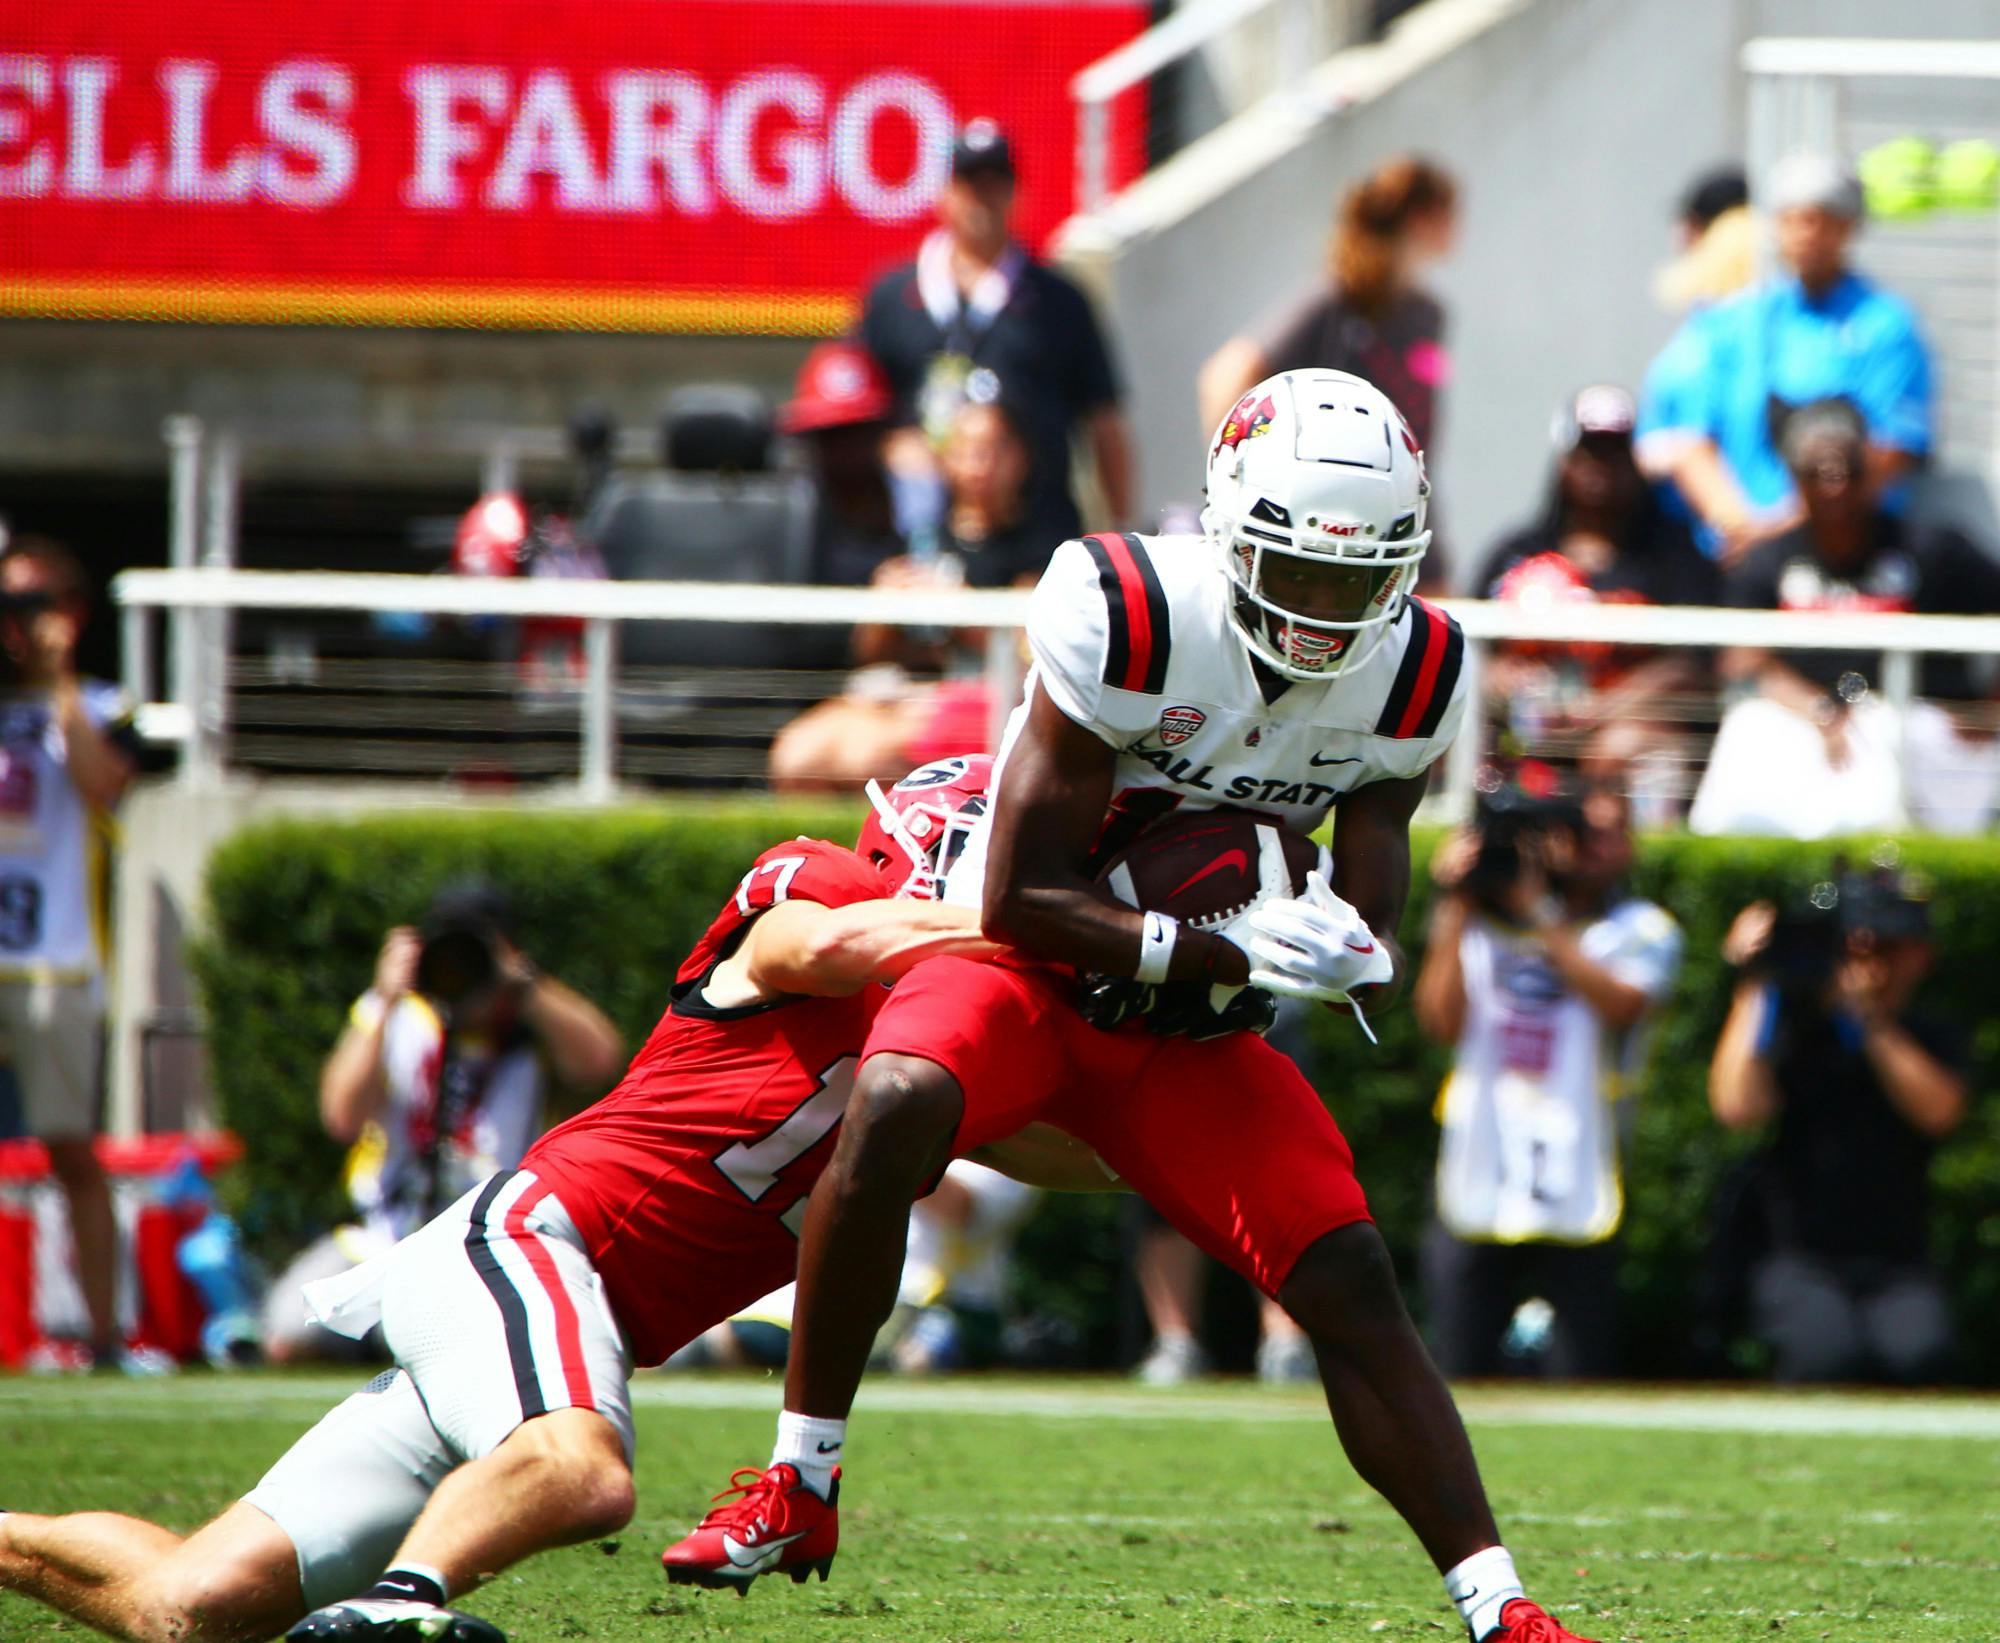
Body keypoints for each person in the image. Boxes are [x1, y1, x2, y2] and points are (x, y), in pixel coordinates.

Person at [667, 370, 1602, 1643]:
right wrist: (1210, 944)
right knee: (891, 1099)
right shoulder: (1125, 607)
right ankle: (800, 1476)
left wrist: (1338, 943)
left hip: (1181, 1030)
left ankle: (1498, 1604)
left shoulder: (1419, 660)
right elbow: (1015, 895)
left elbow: (1365, 886)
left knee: (1346, 1266)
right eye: (1302, 572)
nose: (1329, 615)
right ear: (1229, 525)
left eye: (1357, 580)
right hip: (1031, 970)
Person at [0, 760, 1115, 1643]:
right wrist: (1052, 927)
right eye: (1014, 870)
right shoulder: (813, 886)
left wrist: (1192, 1011)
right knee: (581, 1471)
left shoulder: (942, 1065)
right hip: (529, 1242)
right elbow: (828, 943)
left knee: (192, 1605)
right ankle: (400, 1606)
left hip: (539, 1325)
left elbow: (1105, 1153)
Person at [261, 881, 623, 1363]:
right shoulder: (398, 1015)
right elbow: (341, 1116)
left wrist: (525, 982)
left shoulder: (529, 1025)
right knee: (290, 1330)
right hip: (384, 1237)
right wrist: (385, 997)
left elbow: (600, 1060)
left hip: (495, 1241)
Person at [1413, 775, 1680, 1379]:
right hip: (1480, 1152)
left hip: (1582, 1160)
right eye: (1584, 832)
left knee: (1580, 1369)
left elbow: (1621, 1006)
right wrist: (1457, 899)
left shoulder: (1642, 928)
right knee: (1457, 1361)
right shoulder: (1475, 920)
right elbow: (1439, 1021)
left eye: (1614, 834)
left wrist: (1539, 913)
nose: (1594, 847)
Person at [1689, 398, 2000, 837]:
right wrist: (1820, 713)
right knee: (1749, 731)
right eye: (1818, 474)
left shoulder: (1933, 548)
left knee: (1885, 734)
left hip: (1918, 727)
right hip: (1804, 723)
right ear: (1797, 481)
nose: (1834, 488)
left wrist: (1990, 708)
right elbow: (1741, 661)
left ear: (1870, 473)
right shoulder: (1768, 562)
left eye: (1848, 472)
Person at [1708, 869, 1964, 1383]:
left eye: (1887, 947)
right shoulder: (1798, 1028)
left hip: (1897, 1262)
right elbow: (1736, 1107)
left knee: (1922, 1354)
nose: (1867, 960)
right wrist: (1757, 980)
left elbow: (1938, 1111)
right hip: (1800, 1256)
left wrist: (1868, 1020)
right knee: (1825, 1354)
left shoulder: (1931, 1034)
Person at [1636, 152, 1932, 562]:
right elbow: (1689, 435)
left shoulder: (1886, 326)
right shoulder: (1734, 321)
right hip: (1732, 553)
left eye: (1820, 220)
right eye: (1791, 220)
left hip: (1840, 553)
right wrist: (1738, 527)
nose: (1805, 234)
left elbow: (1891, 449)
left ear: (1849, 228)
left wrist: (1780, 534)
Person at [0, 536, 140, 1373]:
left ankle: (102, 1334)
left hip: (56, 960)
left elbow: (103, 783)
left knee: (70, 1151)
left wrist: (57, 683)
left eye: (34, 603)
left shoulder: (97, 702)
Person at [857, 119, 1131, 548]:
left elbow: (1104, 422)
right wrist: (892, 447)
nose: (982, 199)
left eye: (996, 183)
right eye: (969, 183)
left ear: (1016, 194)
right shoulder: (892, 296)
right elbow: (854, 414)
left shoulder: (1059, 301)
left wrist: (1119, 529)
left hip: (1039, 535)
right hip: (921, 540)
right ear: (944, 192)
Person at [768, 395, 1045, 791]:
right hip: (898, 693)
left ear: (1020, 458)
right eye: (965, 450)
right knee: (796, 755)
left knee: (862, 759)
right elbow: (870, 655)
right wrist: (883, 609)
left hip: (984, 700)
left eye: (991, 450)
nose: (977, 464)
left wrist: (963, 611)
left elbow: (1029, 657)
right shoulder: (918, 540)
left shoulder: (1038, 549)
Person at [1199, 157, 1456, 581]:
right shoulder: (1335, 301)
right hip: (1335, 521)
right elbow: (1226, 374)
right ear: (1420, 217)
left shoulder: (1429, 314)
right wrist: (1235, 482)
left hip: (1407, 511)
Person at [1472, 386, 1720, 791]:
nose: (1602, 467)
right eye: (1590, 451)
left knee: (1622, 748)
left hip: (1625, 736)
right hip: (1523, 730)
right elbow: (1474, 650)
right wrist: (1503, 681)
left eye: (1616, 453)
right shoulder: (1515, 552)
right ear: (1565, 460)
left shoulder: (1675, 557)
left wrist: (1602, 710)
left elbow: (1695, 664)